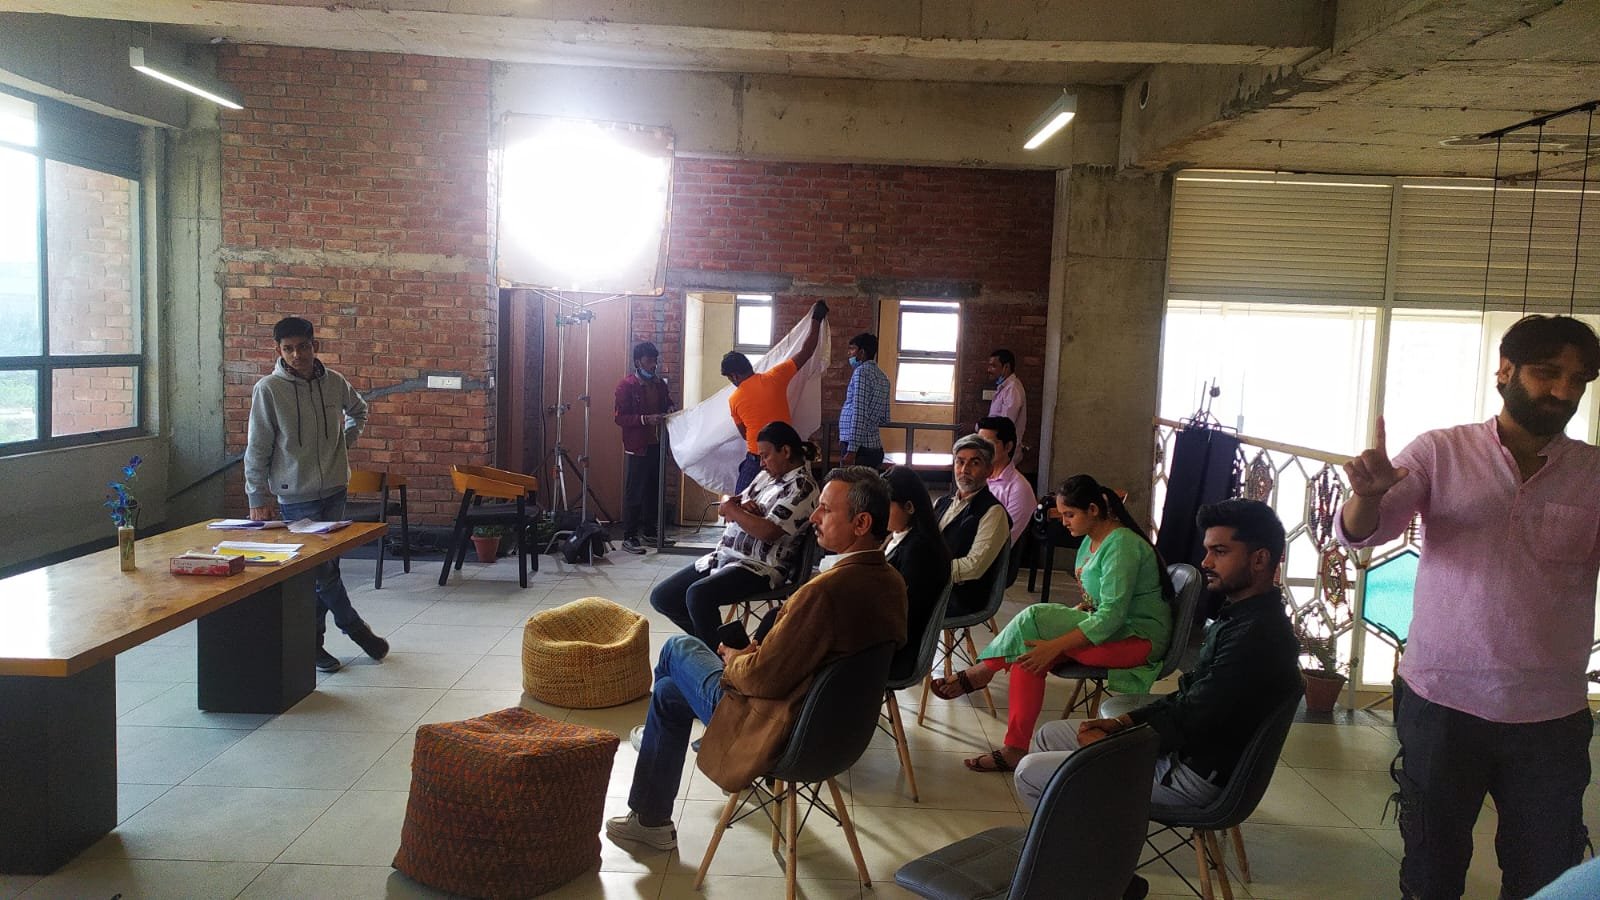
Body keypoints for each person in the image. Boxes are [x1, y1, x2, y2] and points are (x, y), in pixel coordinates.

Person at [1336, 314, 1600, 900]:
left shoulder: (1593, 472)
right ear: (1505, 371)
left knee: (1546, 876)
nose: (1563, 391)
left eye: (1579, 380)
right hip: (1442, 702)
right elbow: (1366, 531)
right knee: (1431, 869)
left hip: (1550, 716)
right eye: (1547, 372)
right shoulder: (1442, 451)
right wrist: (1366, 497)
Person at [606, 466, 908, 850]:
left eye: (826, 509)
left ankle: (658, 795)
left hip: (778, 727)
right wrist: (762, 652)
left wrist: (736, 659)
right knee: (668, 695)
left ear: (861, 523)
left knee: (676, 650)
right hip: (835, 733)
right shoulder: (891, 582)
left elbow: (763, 679)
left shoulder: (825, 593)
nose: (814, 517)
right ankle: (650, 820)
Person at [1013, 499, 1301, 820]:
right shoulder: (1241, 617)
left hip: (1190, 773)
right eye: (1207, 550)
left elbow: (1194, 720)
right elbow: (1189, 697)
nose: (1205, 562)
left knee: (1030, 772)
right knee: (1048, 735)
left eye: (1219, 552)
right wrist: (1122, 723)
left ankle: (1088, 851)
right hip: (1181, 751)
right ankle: (1093, 838)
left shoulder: (1258, 637)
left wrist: (1118, 743)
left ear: (1259, 559)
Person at [933, 475, 1173, 773]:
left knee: (1035, 618)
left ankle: (982, 672)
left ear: (1093, 510)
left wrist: (1055, 644)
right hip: (1110, 630)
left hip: (1136, 639)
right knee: (1029, 656)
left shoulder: (1122, 544)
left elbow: (1112, 615)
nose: (1064, 522)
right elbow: (1094, 603)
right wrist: (1058, 631)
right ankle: (1015, 748)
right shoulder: (1091, 540)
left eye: (1069, 515)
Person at [244, 316, 388, 674]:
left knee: (325, 568)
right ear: (279, 351)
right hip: (296, 496)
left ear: (315, 346)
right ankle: (355, 628)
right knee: (320, 572)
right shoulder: (268, 390)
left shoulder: (334, 382)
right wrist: (256, 497)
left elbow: (359, 410)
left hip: (335, 489)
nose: (297, 355)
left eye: (303, 347)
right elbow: (257, 447)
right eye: (288, 349)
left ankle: (312, 645)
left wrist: (343, 444)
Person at [649, 421, 821, 649]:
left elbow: (768, 531)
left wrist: (735, 510)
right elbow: (726, 503)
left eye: (766, 456)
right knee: (663, 597)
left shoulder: (802, 487)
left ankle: (724, 658)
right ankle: (730, 651)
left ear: (786, 451)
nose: (762, 463)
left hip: (759, 567)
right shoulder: (767, 477)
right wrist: (736, 508)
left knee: (698, 596)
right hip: (726, 556)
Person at [724, 300, 829, 492]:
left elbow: (745, 435)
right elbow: (807, 351)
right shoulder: (775, 376)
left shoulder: (734, 399)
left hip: (757, 459)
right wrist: (816, 319)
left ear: (734, 376)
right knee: (788, 498)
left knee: (741, 503)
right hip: (785, 458)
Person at [883, 465, 953, 682]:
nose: (880, 512)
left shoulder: (920, 551)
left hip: (896, 652)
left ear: (909, 507)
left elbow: (904, 613)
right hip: (889, 639)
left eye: (886, 505)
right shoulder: (903, 537)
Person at [934, 434, 1011, 618]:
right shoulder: (942, 503)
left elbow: (974, 567)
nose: (964, 470)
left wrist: (928, 571)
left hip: (959, 597)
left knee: (889, 605)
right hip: (934, 586)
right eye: (960, 462)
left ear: (989, 470)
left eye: (974, 463)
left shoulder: (993, 512)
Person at [614, 341, 674, 554]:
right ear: (638, 362)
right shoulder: (627, 385)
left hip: (658, 444)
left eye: (655, 360)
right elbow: (620, 418)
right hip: (638, 447)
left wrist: (670, 408)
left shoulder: (659, 384)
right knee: (635, 491)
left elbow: (667, 402)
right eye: (649, 360)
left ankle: (650, 531)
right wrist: (645, 419)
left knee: (653, 490)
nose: (653, 364)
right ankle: (629, 536)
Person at [976, 415, 1037, 545]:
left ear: (1008, 447)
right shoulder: (977, 478)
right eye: (979, 443)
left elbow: (1003, 539)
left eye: (989, 444)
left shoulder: (1018, 489)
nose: (982, 450)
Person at [839, 332, 891, 469]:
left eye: (852, 349)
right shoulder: (883, 377)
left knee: (853, 483)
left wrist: (852, 451)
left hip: (859, 450)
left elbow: (859, 413)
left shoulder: (861, 372)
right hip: (873, 446)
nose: (849, 353)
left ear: (861, 353)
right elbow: (885, 418)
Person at [987, 348, 1027, 458]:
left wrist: (982, 427)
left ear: (1006, 367)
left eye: (993, 366)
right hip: (999, 449)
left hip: (1006, 452)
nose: (989, 370)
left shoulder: (1012, 389)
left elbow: (1006, 423)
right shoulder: (1004, 388)